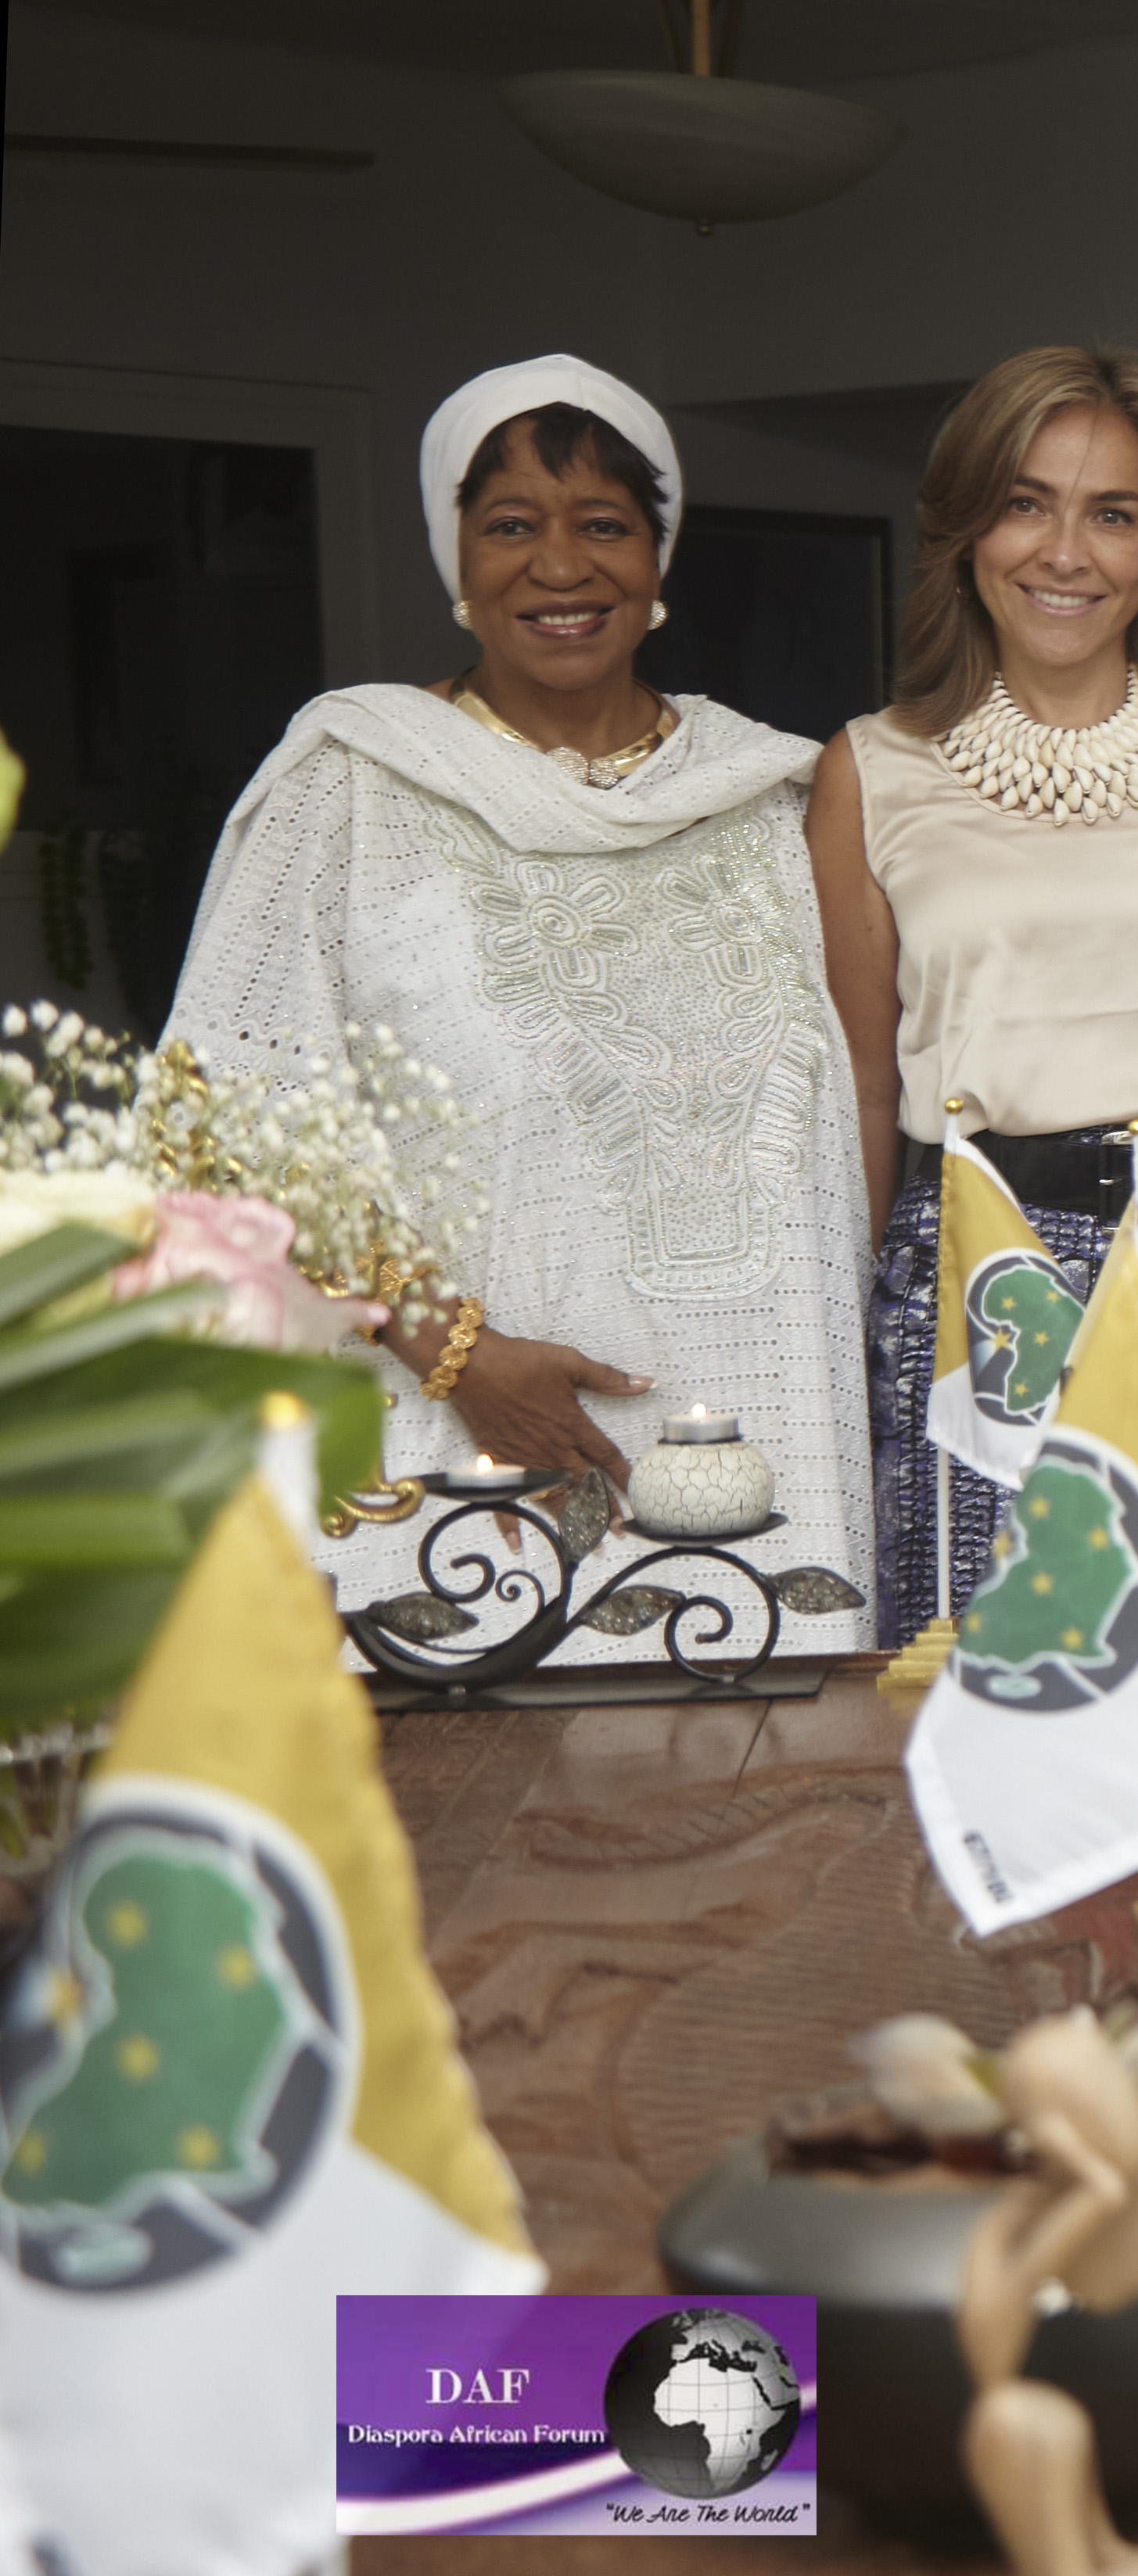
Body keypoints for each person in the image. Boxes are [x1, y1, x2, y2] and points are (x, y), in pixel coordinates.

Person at [167, 353, 874, 1644]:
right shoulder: (351, 789)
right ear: (455, 559)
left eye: (604, 524)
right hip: (449, 1450)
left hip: (762, 1458)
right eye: (509, 526)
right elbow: (226, 1119)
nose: (560, 565)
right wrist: (455, 1353)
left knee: (755, 1808)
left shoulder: (777, 803)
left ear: (659, 563)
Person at [810, 347, 1138, 1642]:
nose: (1066, 552)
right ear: (961, 530)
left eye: (1113, 513)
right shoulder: (867, 774)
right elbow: (861, 1086)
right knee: (972, 1708)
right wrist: (833, 1356)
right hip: (967, 1298)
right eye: (1024, 502)